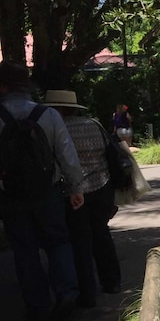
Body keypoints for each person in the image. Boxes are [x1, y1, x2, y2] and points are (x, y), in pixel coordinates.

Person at [0, 60, 85, 321]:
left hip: (10, 197)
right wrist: (75, 188)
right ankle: (67, 293)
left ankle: (37, 306)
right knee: (58, 242)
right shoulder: (48, 115)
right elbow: (67, 156)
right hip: (48, 192)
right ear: (26, 87)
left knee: (24, 250)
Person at [44, 90, 122, 307]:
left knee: (80, 241)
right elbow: (111, 154)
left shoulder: (54, 129)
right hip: (102, 186)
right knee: (102, 234)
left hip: (72, 192)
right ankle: (112, 281)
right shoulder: (94, 125)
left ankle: (87, 293)